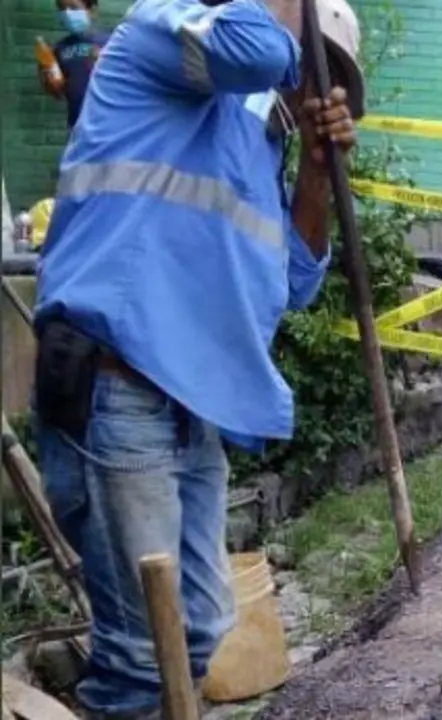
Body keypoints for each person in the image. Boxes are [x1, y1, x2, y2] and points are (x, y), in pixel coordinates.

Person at [32, 0, 365, 717]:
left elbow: (294, 284)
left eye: (326, 76)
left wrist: (314, 167)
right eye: (311, 66)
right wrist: (286, 24)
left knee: (203, 628)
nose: (311, 87)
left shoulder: (256, 146)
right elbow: (249, 49)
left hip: (191, 412)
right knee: (144, 654)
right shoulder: (160, 41)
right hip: (115, 387)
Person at [37, 0, 112, 130]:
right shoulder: (60, 49)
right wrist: (48, 79)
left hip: (111, 123)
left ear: (92, 10)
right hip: (78, 125)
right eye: (62, 9)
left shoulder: (112, 42)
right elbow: (57, 92)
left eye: (73, 8)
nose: (67, 13)